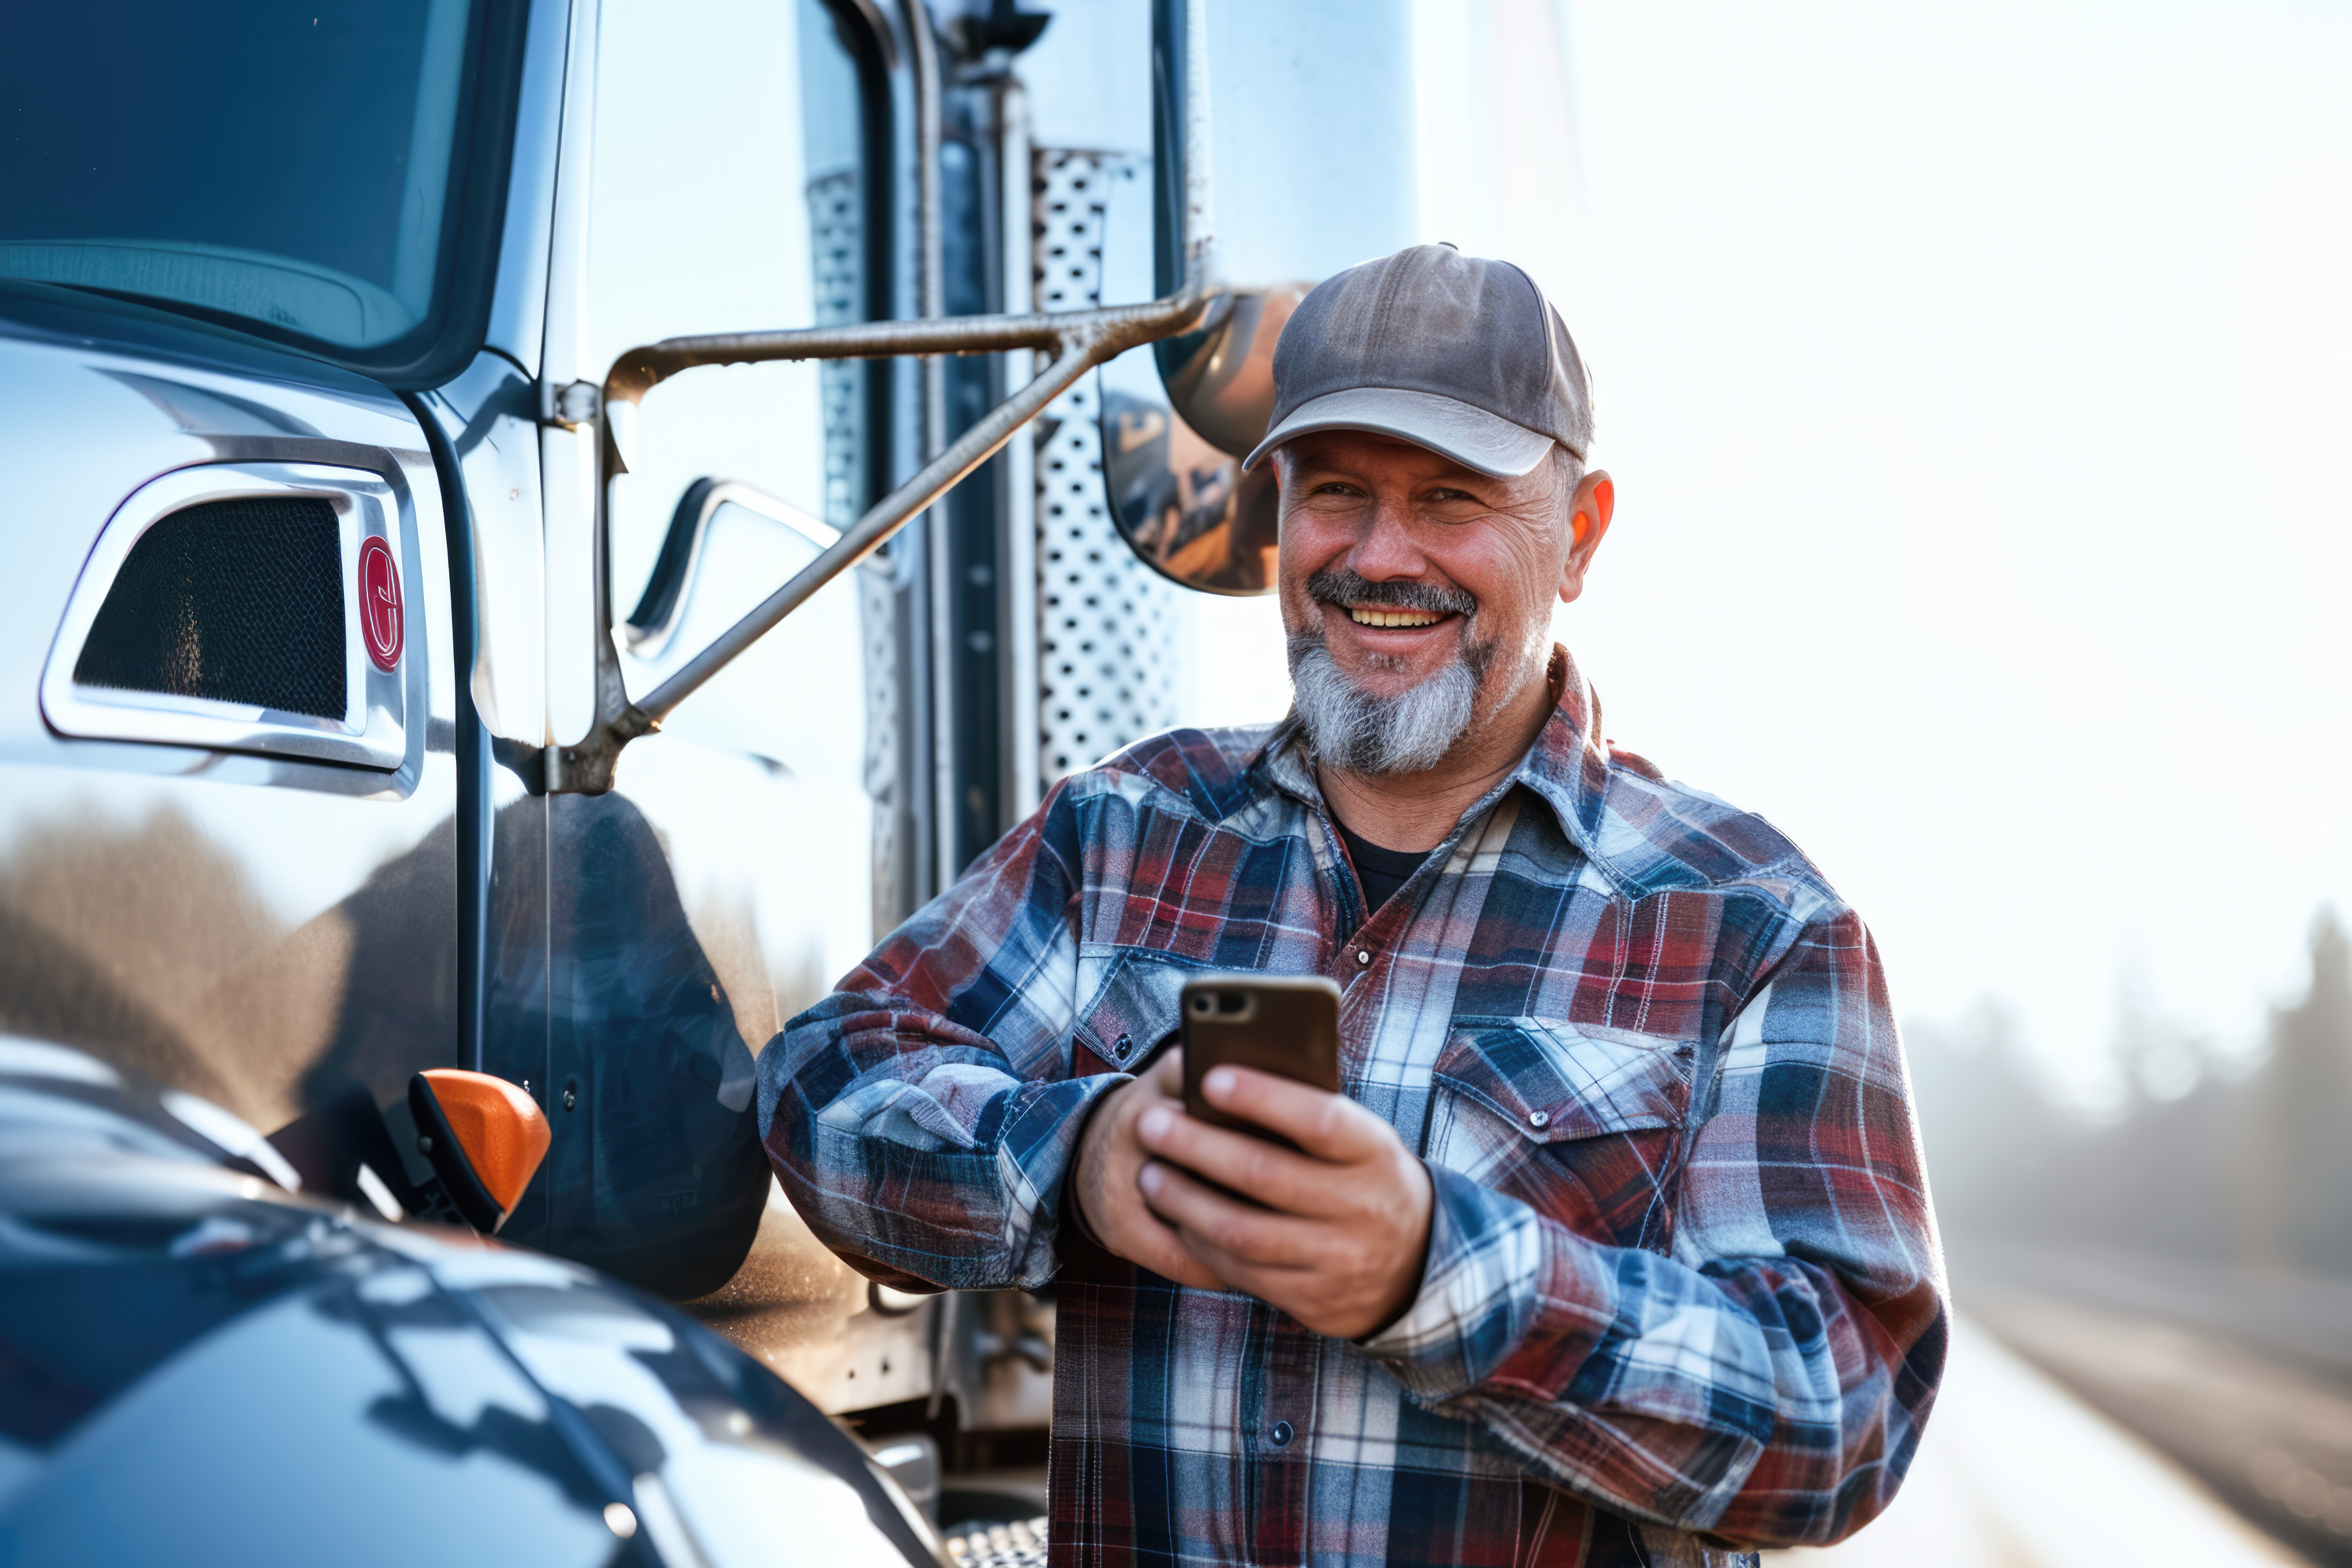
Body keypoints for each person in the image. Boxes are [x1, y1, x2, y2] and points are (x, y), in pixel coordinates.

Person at [759, 244, 1946, 1568]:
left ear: (1583, 534)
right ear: (1277, 509)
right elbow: (824, 1077)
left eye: (1452, 499)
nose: (1382, 556)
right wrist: (1074, 1161)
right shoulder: (1124, 833)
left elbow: (1844, 1413)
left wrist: (1433, 1274)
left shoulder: (1750, 922)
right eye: (1337, 492)